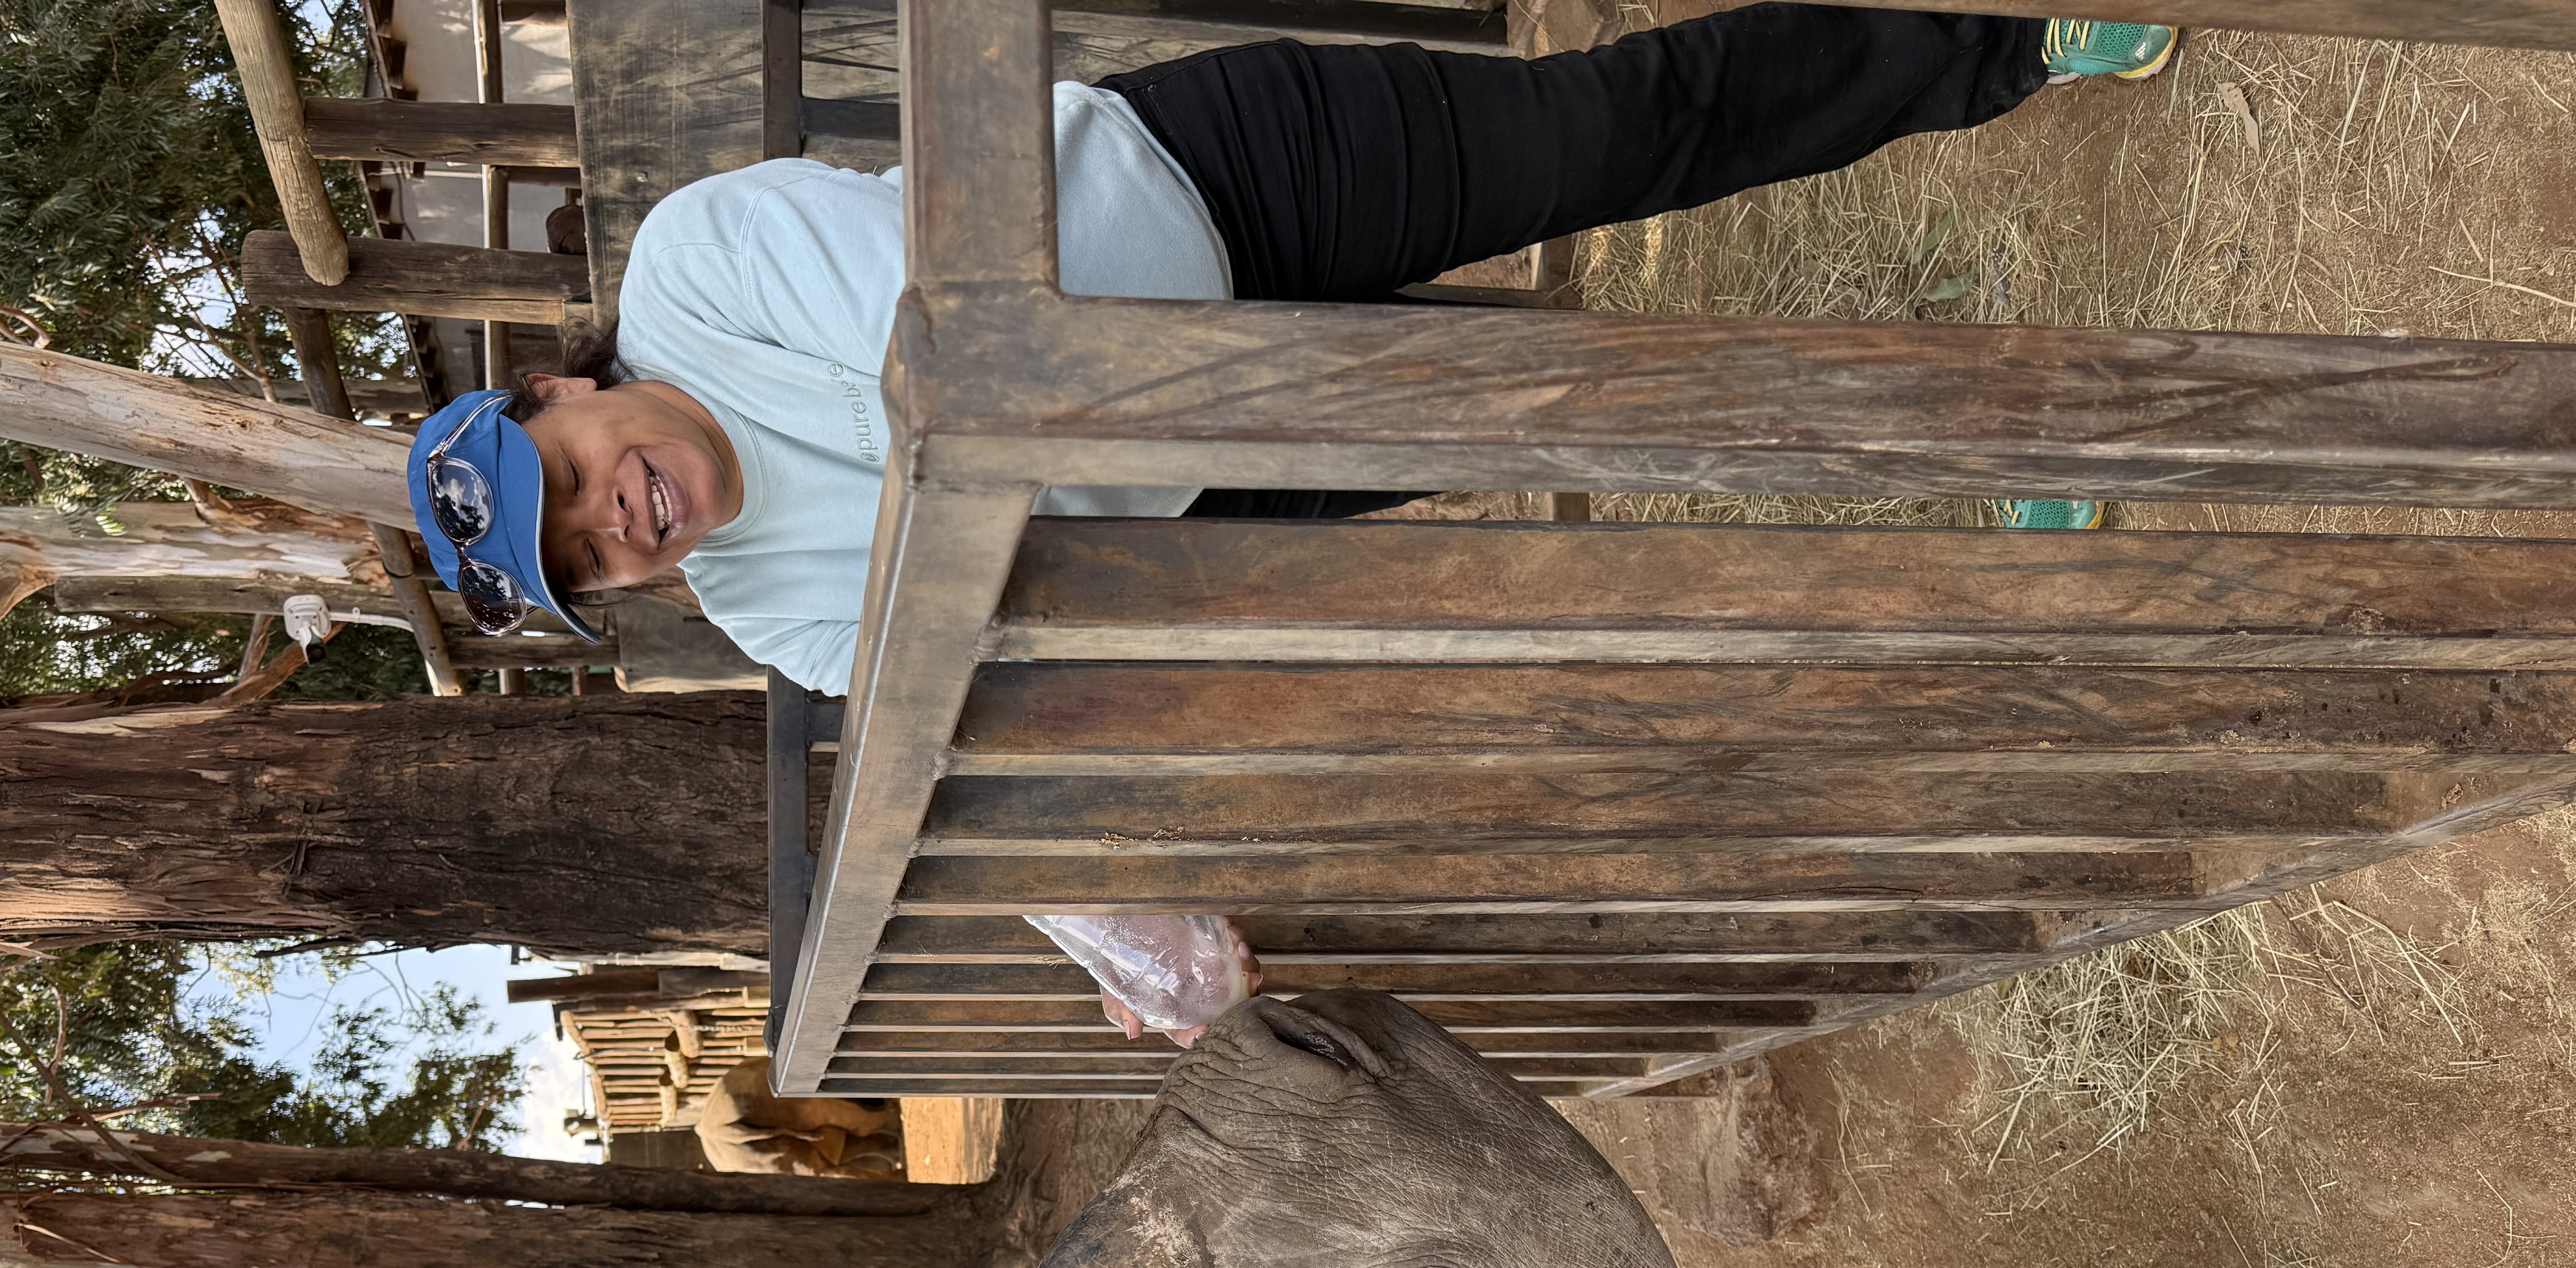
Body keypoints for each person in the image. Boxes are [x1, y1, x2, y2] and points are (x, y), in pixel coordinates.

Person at [407, 10, 2179, 692]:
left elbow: (955, 343)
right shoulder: (760, 612)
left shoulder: (696, 269)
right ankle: (1991, 441)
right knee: (1625, 411)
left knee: (1614, 130)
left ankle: (2005, 40)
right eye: (590, 564)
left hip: (1223, 180)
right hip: (1226, 459)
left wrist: (978, 537)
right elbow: (979, 662)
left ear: (562, 385)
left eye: (566, 479)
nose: (618, 520)